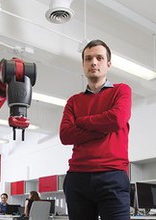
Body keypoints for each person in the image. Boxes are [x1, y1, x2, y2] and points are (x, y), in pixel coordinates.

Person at [59, 39, 132, 220]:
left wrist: (81, 122)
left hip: (112, 176)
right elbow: (66, 135)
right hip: (77, 179)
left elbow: (116, 119)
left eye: (99, 58)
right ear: (83, 64)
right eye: (88, 58)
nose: (93, 62)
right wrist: (103, 128)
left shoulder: (121, 90)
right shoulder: (73, 101)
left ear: (108, 64)